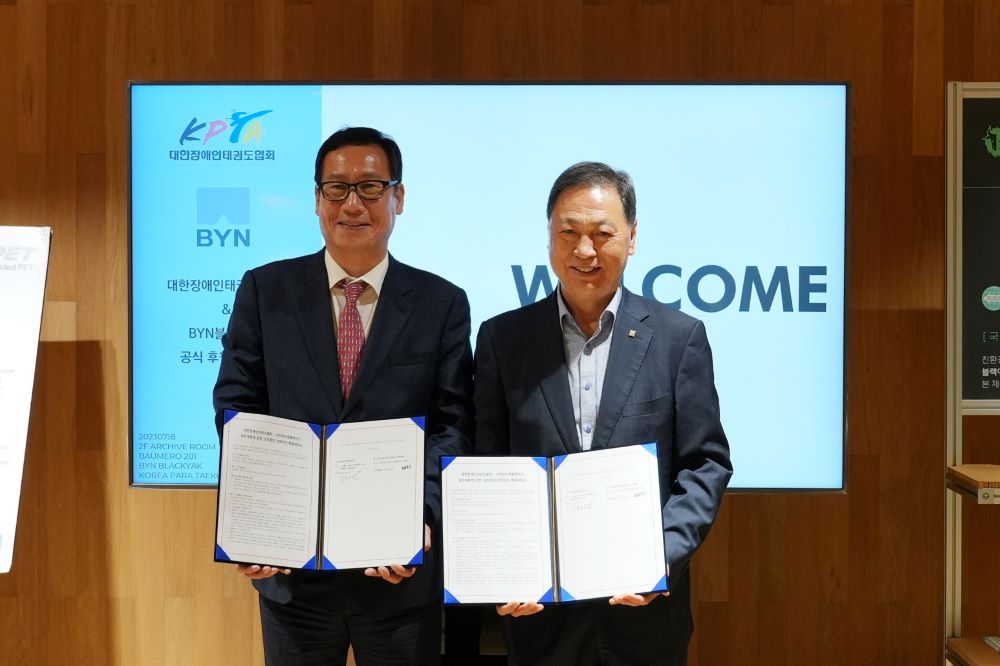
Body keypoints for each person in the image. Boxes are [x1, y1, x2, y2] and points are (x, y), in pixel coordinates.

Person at [213, 126, 473, 665]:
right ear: (317, 199)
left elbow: (452, 422)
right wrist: (255, 517)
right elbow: (237, 406)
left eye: (371, 187)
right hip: (293, 574)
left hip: (398, 574)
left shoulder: (441, 302)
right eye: (337, 188)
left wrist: (422, 516)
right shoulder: (264, 291)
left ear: (399, 197)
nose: (353, 204)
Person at [473, 161, 732, 665]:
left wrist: (661, 557)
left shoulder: (679, 338)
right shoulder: (503, 339)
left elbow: (705, 464)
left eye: (602, 233)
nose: (584, 250)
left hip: (643, 614)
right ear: (549, 237)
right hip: (539, 614)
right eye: (568, 232)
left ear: (631, 238)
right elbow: (486, 466)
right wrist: (502, 571)